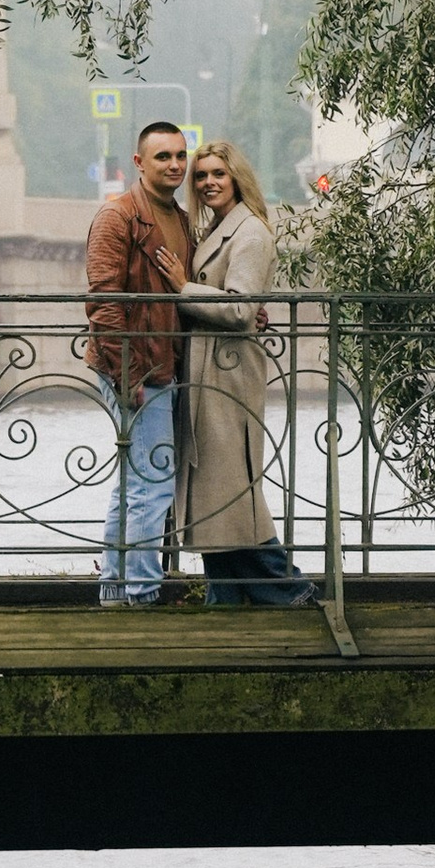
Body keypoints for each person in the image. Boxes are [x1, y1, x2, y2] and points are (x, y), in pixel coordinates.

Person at [178, 138, 315, 606]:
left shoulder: (250, 232)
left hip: (228, 372)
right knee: (215, 490)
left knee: (231, 488)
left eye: (218, 173)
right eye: (201, 176)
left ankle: (287, 587)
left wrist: (181, 289)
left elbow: (238, 308)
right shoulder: (219, 228)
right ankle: (229, 597)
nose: (209, 182)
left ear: (236, 177)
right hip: (210, 370)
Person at [82, 118, 193, 605]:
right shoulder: (118, 216)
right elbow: (103, 301)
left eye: (180, 156)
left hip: (162, 366)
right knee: (154, 483)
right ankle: (143, 596)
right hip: (136, 370)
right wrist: (129, 377)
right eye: (163, 156)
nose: (175, 165)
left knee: (133, 485)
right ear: (139, 162)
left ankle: (114, 591)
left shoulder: (181, 218)